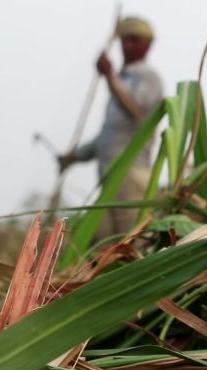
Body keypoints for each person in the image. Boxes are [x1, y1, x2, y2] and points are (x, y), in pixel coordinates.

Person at [58, 16, 163, 238]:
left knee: (131, 241)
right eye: (125, 40)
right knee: (101, 242)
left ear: (147, 45)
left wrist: (109, 76)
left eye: (135, 40)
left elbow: (136, 112)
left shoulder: (148, 77)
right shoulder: (122, 80)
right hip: (109, 177)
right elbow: (106, 138)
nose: (128, 45)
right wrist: (72, 157)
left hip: (131, 174)